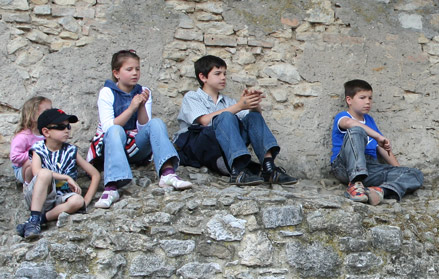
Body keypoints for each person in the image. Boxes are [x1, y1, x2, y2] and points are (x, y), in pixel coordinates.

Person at [89, 50, 192, 209]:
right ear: (116, 73)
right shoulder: (107, 92)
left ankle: (167, 173)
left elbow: (144, 127)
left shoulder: (143, 91)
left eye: (137, 69)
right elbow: (108, 127)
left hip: (135, 146)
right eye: (129, 69)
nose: (135, 73)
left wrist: (142, 106)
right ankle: (112, 187)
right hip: (113, 145)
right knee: (116, 130)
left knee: (156, 123)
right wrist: (131, 108)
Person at [174, 55, 297, 186]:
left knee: (253, 116)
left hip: (225, 147)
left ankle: (269, 168)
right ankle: (238, 170)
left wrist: (253, 103)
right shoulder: (192, 97)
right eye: (217, 74)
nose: (223, 77)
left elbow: (253, 122)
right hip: (202, 146)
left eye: (224, 74)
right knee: (226, 116)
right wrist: (239, 106)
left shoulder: (229, 102)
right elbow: (204, 121)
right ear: (203, 77)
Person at [330, 79, 424, 204]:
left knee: (415, 174)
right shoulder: (343, 116)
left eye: (370, 98)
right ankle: (354, 184)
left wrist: (399, 171)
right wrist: (378, 136)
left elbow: (382, 148)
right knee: (357, 131)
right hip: (345, 166)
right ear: (349, 100)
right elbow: (349, 123)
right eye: (362, 98)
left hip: (370, 168)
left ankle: (379, 191)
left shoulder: (369, 121)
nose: (367, 102)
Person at [16, 109, 100, 239]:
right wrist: (65, 177)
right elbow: (37, 172)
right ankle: (34, 216)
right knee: (44, 174)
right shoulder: (38, 149)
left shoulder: (71, 150)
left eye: (68, 126)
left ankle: (38, 220)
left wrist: (86, 201)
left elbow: (95, 174)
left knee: (77, 200)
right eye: (61, 127)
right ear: (46, 132)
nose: (66, 130)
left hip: (61, 198)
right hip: (40, 197)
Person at [9, 96, 51, 185]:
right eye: (46, 112)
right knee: (32, 161)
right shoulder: (23, 136)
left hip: (44, 167)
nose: (50, 114)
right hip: (24, 170)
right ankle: (28, 185)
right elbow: (15, 157)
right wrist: (35, 155)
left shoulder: (48, 133)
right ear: (32, 116)